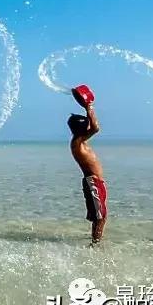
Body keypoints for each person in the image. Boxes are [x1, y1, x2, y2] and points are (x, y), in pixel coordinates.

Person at [68, 95, 106, 245]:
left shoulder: (79, 140)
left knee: (99, 215)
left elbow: (92, 127)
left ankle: (95, 241)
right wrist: (88, 107)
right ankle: (95, 244)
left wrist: (87, 111)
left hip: (95, 182)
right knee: (100, 216)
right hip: (93, 182)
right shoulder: (78, 142)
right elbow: (95, 127)